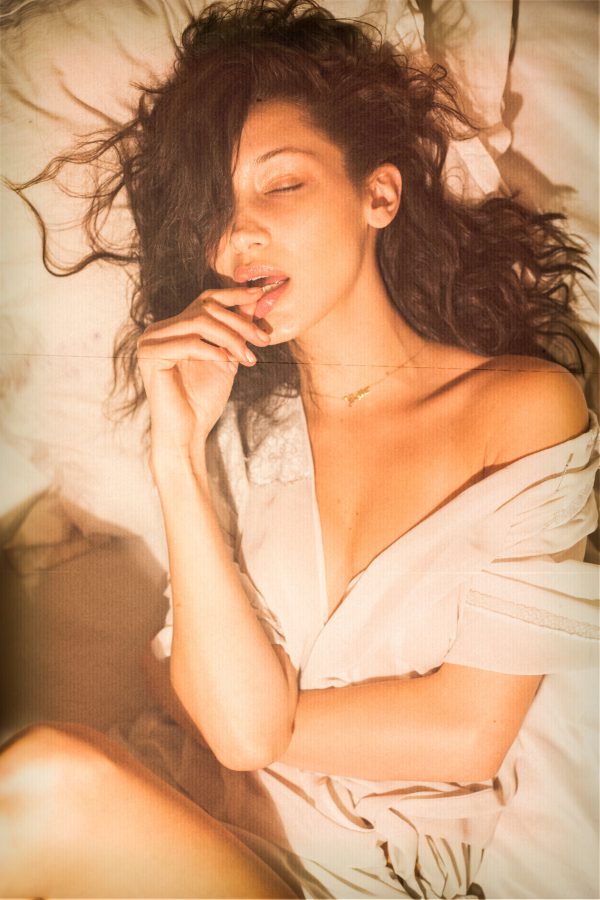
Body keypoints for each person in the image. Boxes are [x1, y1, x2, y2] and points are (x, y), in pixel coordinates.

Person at [1, 1, 598, 897]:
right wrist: (176, 453)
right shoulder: (238, 437)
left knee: (43, 786)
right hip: (162, 810)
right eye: (216, 210)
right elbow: (198, 706)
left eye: (281, 186)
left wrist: (251, 723)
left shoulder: (522, 407)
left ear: (378, 196)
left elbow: (468, 732)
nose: (239, 234)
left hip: (343, 874)